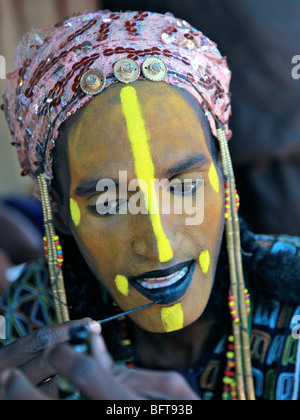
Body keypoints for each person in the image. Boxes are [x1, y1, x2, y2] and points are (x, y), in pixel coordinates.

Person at [0, 10, 300, 401]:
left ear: (224, 179)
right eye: (109, 202)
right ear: (59, 212)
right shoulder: (27, 322)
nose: (159, 245)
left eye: (185, 186)